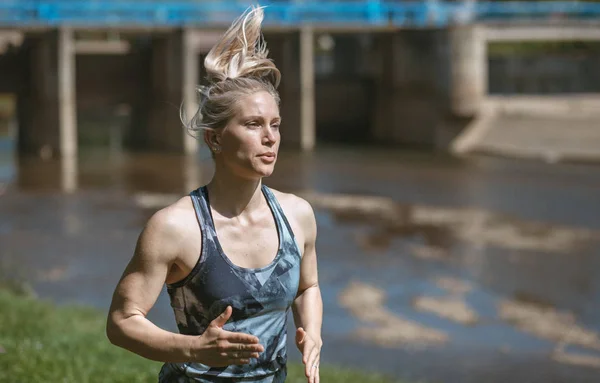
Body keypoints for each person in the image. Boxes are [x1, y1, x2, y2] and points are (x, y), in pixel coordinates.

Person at [106, 6, 323, 383]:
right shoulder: (175, 226)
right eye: (253, 125)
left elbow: (308, 286)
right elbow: (122, 322)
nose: (270, 137)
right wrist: (194, 348)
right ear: (215, 138)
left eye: (275, 125)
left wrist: (313, 332)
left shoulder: (297, 215)